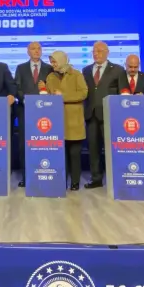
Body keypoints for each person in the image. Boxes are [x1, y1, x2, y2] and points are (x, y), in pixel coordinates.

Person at [82, 41, 127, 188]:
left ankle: (116, 178)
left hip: (110, 115)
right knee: (93, 149)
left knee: (112, 149)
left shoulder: (118, 70)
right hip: (91, 115)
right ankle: (96, 179)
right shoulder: (86, 70)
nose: (96, 54)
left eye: (100, 51)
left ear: (107, 52)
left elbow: (123, 93)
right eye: (94, 51)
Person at [45, 51, 88, 191]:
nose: (52, 64)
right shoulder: (50, 77)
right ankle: (61, 181)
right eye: (51, 62)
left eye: (54, 62)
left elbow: (83, 93)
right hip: (57, 121)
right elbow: (50, 96)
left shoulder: (76, 74)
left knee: (74, 154)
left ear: (62, 60)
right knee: (60, 155)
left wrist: (63, 96)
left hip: (74, 121)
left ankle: (75, 182)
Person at [14, 42, 52, 187]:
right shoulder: (21, 68)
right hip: (25, 109)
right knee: (24, 144)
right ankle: (26, 176)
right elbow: (17, 87)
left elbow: (53, 87)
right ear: (28, 52)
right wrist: (25, 100)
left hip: (45, 112)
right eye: (33, 49)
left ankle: (43, 173)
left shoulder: (49, 68)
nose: (36, 51)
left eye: (39, 48)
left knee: (43, 143)